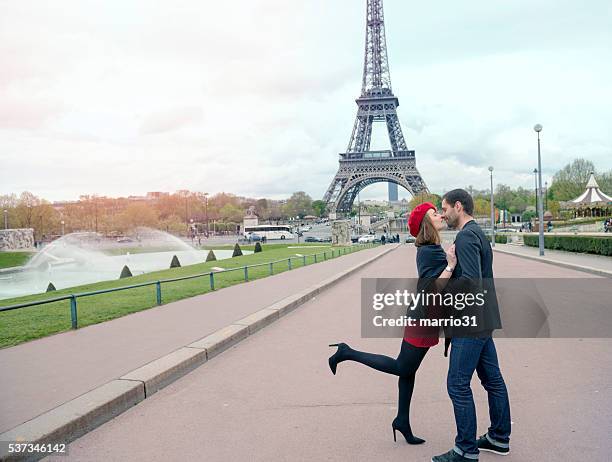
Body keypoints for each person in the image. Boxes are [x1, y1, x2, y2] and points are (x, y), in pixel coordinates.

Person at [327, 202, 456, 445]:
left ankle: (402, 420)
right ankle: (347, 352)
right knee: (402, 368)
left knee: (408, 371)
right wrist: (450, 265)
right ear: (426, 223)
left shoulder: (431, 247)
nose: (439, 214)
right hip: (423, 319)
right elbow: (432, 288)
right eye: (434, 213)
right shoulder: (430, 250)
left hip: (424, 317)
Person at [432, 189, 511, 462]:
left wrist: (447, 276)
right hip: (484, 318)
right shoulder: (477, 232)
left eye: (444, 208)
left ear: (458, 206)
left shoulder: (465, 236)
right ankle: (499, 437)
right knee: (492, 380)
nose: (443, 214)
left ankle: (465, 450)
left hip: (470, 321)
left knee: (457, 384)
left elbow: (472, 282)